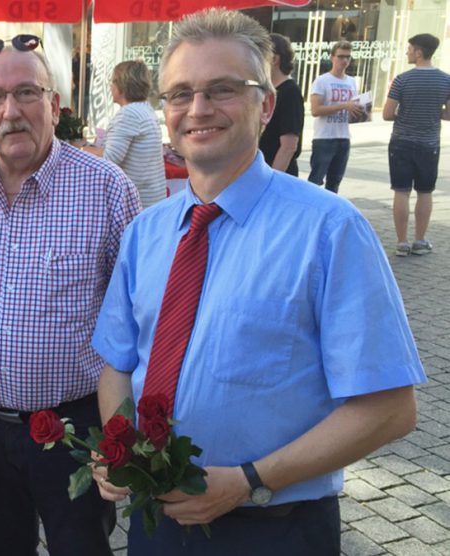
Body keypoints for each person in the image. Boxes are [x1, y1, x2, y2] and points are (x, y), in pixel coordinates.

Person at [92, 9, 425, 555]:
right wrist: (120, 445)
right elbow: (117, 362)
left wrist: (250, 478)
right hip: (159, 522)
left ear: (265, 104)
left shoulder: (329, 230)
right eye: (180, 93)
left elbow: (390, 407)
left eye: (222, 89)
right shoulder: (144, 235)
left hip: (275, 527)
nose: (198, 109)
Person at [0, 34, 141, 555]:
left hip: (76, 429)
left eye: (26, 93)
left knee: (82, 547)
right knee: (0, 547)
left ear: (55, 105)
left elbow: (139, 319)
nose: (11, 111)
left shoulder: (107, 189)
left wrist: (124, 429)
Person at [383, 33, 450, 257]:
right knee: (425, 191)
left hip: (401, 142)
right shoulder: (446, 80)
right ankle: (420, 240)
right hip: (429, 144)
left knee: (401, 191)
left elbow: (387, 113)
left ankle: (402, 242)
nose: (407, 52)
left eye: (410, 48)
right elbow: (449, 114)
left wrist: (405, 113)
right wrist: (433, 112)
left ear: (419, 52)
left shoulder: (402, 79)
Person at [100, 60, 167, 208]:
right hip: (151, 199)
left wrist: (82, 150)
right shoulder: (145, 109)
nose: (110, 86)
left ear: (121, 85)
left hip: (136, 203)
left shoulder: (128, 114)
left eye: (112, 81)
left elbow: (109, 160)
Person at [308, 40, 363, 193]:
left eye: (348, 57)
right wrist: (344, 105)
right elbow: (315, 110)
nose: (344, 61)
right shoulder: (322, 80)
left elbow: (352, 107)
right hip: (324, 138)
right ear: (332, 58)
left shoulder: (352, 81)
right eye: (340, 57)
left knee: (335, 182)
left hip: (344, 136)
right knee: (315, 181)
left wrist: (360, 111)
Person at [259, 33, 304, 176]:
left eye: (260, 56)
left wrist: (272, 179)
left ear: (274, 59)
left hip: (277, 174)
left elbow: (289, 146)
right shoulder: (267, 90)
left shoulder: (290, 92)